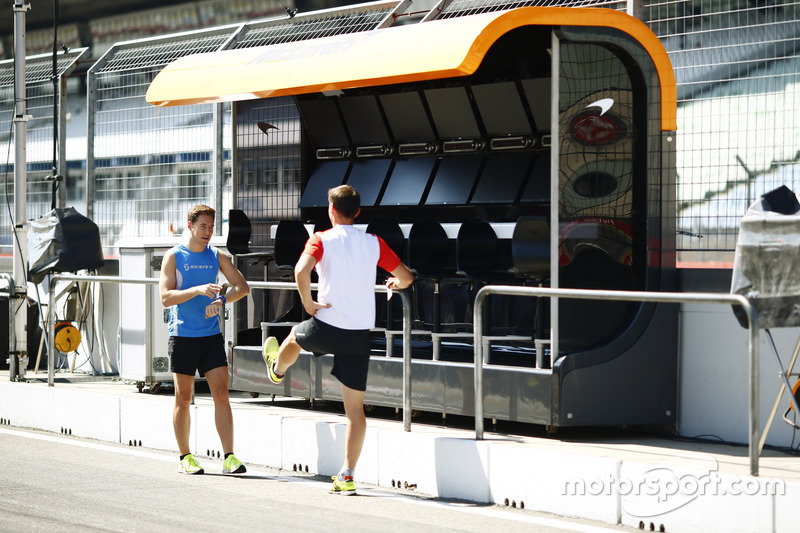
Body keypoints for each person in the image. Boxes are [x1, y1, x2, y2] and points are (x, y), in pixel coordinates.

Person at [263, 185, 413, 495]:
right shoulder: (374, 243)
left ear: (331, 211)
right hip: (359, 335)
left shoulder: (320, 239)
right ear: (358, 213)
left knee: (292, 336)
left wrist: (307, 302)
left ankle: (277, 370)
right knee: (355, 413)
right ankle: (347, 476)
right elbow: (407, 277)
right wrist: (394, 283)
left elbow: (301, 270)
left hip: (327, 324)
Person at [159, 204, 251, 475]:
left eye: (212, 227)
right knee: (184, 398)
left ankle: (229, 457)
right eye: (203, 227)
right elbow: (165, 298)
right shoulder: (174, 256)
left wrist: (221, 300)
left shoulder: (217, 256)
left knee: (222, 394)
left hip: (211, 336)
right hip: (183, 336)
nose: (208, 232)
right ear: (190, 225)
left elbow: (242, 287)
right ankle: (185, 457)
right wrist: (196, 290)